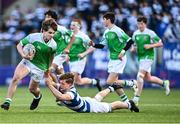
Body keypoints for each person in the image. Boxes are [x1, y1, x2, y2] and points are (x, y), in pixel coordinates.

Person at [1, 19, 58, 110]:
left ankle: (38, 97)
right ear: (43, 31)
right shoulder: (33, 37)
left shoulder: (53, 45)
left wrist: (47, 71)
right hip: (28, 61)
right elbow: (19, 45)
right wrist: (23, 55)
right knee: (16, 78)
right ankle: (7, 102)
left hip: (40, 67)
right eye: (50, 32)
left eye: (53, 33)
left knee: (32, 89)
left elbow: (50, 59)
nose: (52, 35)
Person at [91, 12, 137, 102]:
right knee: (115, 83)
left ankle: (132, 83)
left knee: (109, 82)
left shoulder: (117, 30)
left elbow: (130, 41)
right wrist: (93, 44)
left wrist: (123, 52)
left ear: (108, 20)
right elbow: (102, 45)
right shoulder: (106, 32)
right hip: (112, 59)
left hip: (120, 58)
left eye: (104, 20)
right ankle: (127, 102)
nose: (102, 22)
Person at [45, 72, 139, 113]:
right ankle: (112, 88)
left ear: (69, 84)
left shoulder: (71, 94)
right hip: (86, 101)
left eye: (62, 83)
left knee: (111, 107)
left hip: (91, 107)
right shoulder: (65, 87)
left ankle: (129, 104)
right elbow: (53, 83)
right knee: (97, 98)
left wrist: (49, 85)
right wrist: (47, 75)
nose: (60, 84)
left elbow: (61, 97)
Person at [131, 15, 170, 105]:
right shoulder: (135, 33)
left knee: (140, 76)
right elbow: (134, 44)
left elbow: (160, 43)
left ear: (145, 24)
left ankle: (136, 98)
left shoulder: (150, 33)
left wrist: (150, 46)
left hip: (149, 57)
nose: (140, 26)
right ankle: (164, 83)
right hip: (141, 58)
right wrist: (133, 49)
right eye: (138, 24)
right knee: (148, 78)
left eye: (141, 24)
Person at [67, 18, 102, 91]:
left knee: (70, 79)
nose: (71, 26)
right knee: (78, 81)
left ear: (79, 26)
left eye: (74, 25)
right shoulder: (69, 35)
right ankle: (95, 81)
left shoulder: (83, 36)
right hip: (71, 59)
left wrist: (84, 53)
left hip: (79, 60)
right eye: (71, 25)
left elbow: (93, 47)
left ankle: (68, 98)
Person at [44, 10, 75, 83]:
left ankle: (58, 87)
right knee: (61, 75)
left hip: (61, 53)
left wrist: (68, 48)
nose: (46, 19)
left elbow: (73, 37)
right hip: (53, 54)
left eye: (48, 17)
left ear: (53, 19)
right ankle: (68, 87)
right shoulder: (44, 29)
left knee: (49, 70)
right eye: (45, 17)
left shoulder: (60, 28)